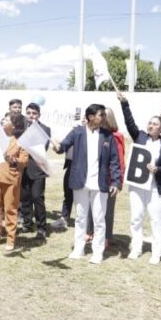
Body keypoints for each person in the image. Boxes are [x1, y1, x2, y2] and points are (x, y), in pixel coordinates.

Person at [52, 104, 120, 264]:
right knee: (81, 218)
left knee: (99, 218)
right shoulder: (78, 132)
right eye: (100, 115)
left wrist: (116, 181)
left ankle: (98, 252)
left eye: (103, 115)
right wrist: (56, 147)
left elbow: (114, 161)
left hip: (100, 183)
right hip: (80, 181)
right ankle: (79, 248)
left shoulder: (108, 136)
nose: (103, 117)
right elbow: (63, 147)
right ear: (90, 117)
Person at [118, 93, 161, 264]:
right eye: (150, 123)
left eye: (155, 124)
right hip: (137, 186)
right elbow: (130, 123)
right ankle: (136, 248)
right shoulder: (140, 137)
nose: (151, 126)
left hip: (155, 188)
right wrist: (125, 104)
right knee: (136, 218)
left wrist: (158, 169)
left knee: (156, 220)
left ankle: (156, 252)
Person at [0, 112, 29, 251]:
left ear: (14, 125)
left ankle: (10, 239)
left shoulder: (20, 141)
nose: (3, 120)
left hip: (11, 179)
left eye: (6, 119)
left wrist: (14, 160)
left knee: (10, 209)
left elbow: (24, 161)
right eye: (3, 118)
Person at [85, 107, 125, 249]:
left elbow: (119, 161)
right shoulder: (93, 133)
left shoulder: (115, 136)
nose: (100, 118)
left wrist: (117, 181)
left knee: (107, 209)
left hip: (109, 179)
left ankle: (106, 237)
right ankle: (90, 231)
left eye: (103, 116)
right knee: (91, 207)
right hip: (93, 177)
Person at [19, 102, 52, 240]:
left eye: (34, 113)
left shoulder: (45, 129)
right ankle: (27, 223)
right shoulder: (20, 127)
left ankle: (41, 228)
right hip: (22, 167)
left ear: (39, 115)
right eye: (28, 113)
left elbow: (42, 147)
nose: (31, 116)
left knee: (37, 197)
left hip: (37, 168)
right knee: (24, 198)